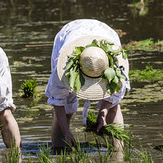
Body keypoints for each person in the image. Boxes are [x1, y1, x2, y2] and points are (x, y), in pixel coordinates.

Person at [45, 19, 130, 149]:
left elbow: (116, 94)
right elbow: (58, 102)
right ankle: (59, 152)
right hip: (70, 33)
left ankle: (118, 154)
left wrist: (103, 112)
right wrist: (66, 132)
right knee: (66, 107)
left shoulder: (117, 67)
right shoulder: (62, 67)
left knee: (113, 106)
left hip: (104, 32)